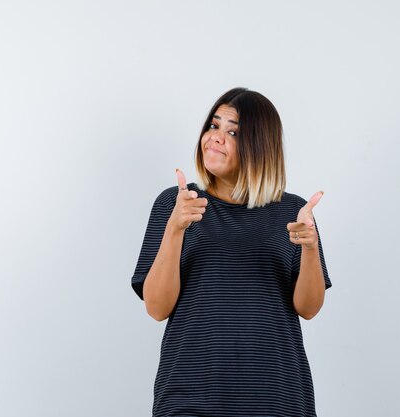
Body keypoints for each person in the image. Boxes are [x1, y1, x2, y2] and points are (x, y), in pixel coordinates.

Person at [131, 87, 331, 417]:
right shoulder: (176, 204)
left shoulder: (294, 212)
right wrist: (175, 228)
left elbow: (308, 309)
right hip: (189, 393)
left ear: (259, 145)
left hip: (276, 395)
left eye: (232, 131)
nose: (216, 138)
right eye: (213, 126)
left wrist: (310, 248)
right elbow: (156, 307)